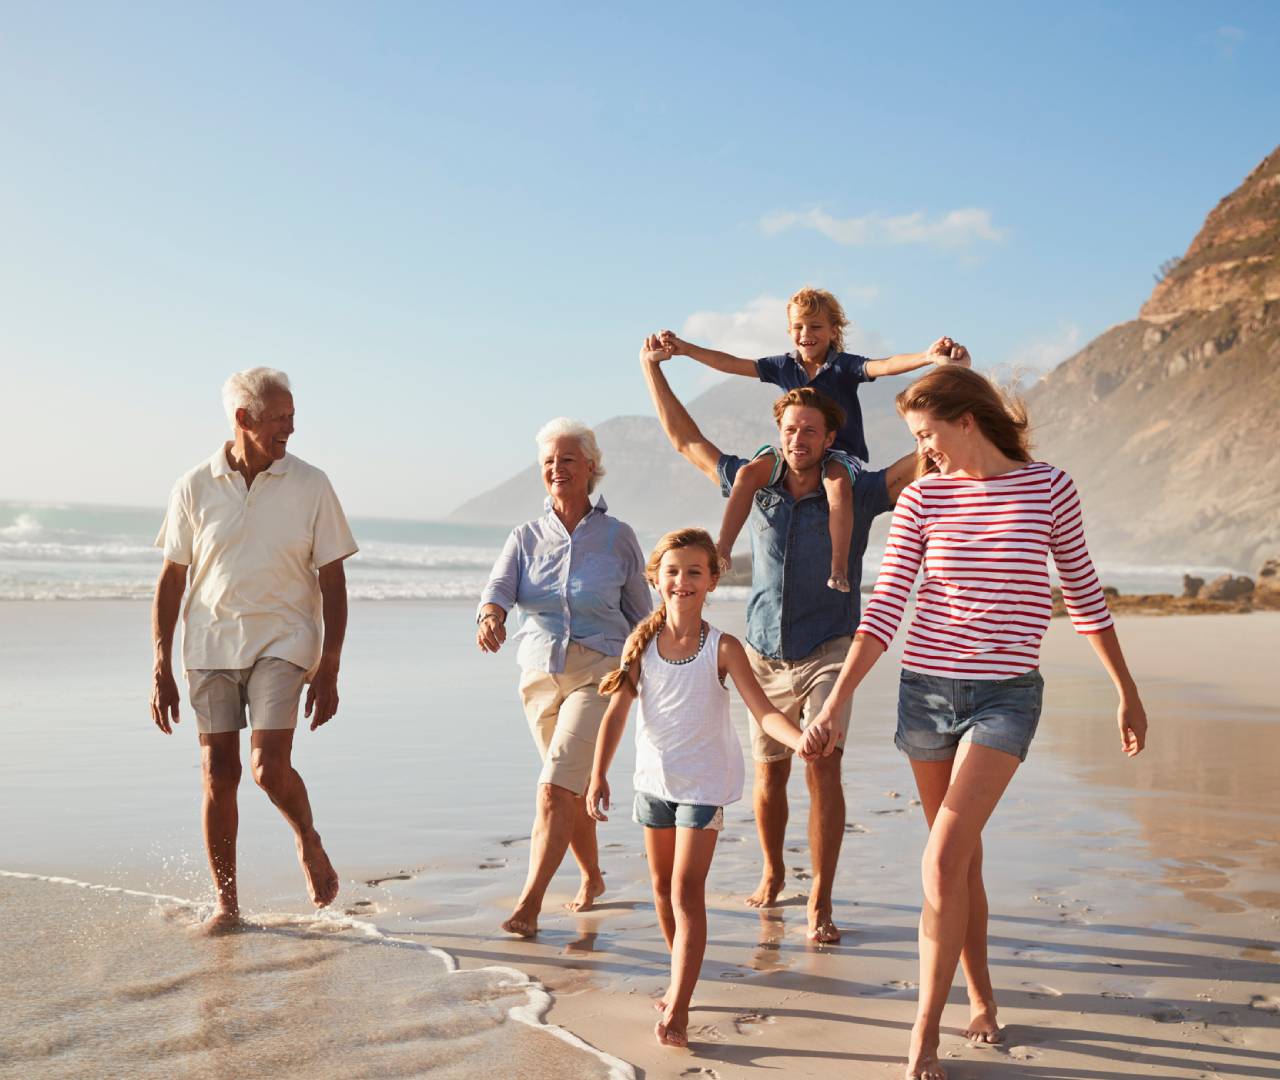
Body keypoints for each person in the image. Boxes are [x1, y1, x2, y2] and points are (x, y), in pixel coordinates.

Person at [805, 365, 1149, 1080]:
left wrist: (1125, 688)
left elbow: (1082, 595)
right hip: (926, 694)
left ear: (968, 419)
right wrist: (838, 698)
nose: (923, 451)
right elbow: (888, 605)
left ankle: (923, 1035)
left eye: (927, 434)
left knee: (940, 857)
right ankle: (982, 995)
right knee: (958, 860)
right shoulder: (925, 497)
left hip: (1005, 698)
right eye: (914, 439)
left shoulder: (1048, 487)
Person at [640, 333, 929, 942]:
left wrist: (951, 387)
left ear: (830, 438)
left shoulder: (856, 487)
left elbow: (925, 457)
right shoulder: (759, 482)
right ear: (780, 431)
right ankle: (773, 870)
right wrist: (653, 373)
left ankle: (820, 899)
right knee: (770, 775)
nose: (800, 440)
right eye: (791, 430)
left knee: (821, 762)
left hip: (831, 649)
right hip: (763, 654)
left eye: (811, 432)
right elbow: (685, 439)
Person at [586, 528, 821, 1048]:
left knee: (685, 891)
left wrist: (800, 739)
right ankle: (680, 977)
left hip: (703, 787)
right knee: (660, 890)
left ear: (713, 580)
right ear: (655, 578)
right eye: (672, 571)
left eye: (695, 572)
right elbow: (617, 714)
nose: (682, 581)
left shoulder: (723, 647)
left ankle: (680, 1005)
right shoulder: (639, 644)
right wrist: (598, 772)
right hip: (654, 784)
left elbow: (763, 711)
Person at [150, 367, 358, 933]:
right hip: (210, 642)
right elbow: (172, 577)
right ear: (243, 419)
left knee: (267, 768)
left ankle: (307, 838)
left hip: (285, 639)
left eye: (292, 415)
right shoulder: (194, 485)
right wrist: (160, 665)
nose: (291, 427)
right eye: (280, 418)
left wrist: (331, 663)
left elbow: (333, 580)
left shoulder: (312, 484)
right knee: (218, 772)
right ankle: (227, 903)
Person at [661, 287, 966, 591]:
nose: (806, 333)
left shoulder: (843, 366)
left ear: (834, 331)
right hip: (794, 451)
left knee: (837, 487)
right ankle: (723, 550)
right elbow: (731, 363)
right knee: (747, 473)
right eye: (798, 326)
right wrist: (687, 349)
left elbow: (884, 365)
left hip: (839, 454)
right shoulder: (783, 366)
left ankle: (837, 568)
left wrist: (927, 357)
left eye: (816, 326)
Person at [478, 418, 651, 937]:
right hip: (538, 674)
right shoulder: (525, 537)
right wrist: (491, 616)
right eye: (549, 461)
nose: (557, 468)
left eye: (568, 459)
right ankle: (593, 877)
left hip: (599, 671)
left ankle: (529, 905)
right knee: (567, 787)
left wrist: (646, 678)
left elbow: (643, 615)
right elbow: (498, 589)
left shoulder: (618, 537)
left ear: (591, 468)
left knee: (553, 789)